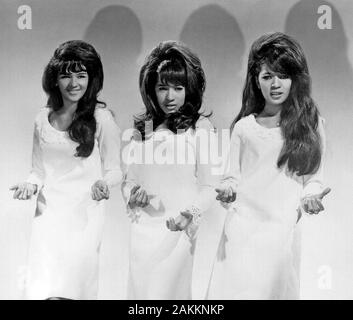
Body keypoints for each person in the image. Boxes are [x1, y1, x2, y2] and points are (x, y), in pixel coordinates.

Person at [209, 32, 330, 299]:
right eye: (267, 76)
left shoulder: (311, 124)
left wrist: (310, 197)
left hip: (281, 234)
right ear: (256, 80)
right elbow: (232, 177)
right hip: (240, 233)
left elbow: (313, 178)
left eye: (283, 76)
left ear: (295, 79)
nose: (276, 84)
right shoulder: (244, 128)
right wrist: (227, 190)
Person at [10, 40, 122, 300]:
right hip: (48, 217)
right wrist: (29, 185)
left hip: (84, 217)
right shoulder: (42, 118)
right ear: (55, 80)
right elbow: (37, 171)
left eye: (81, 76)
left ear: (91, 78)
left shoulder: (101, 118)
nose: (74, 84)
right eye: (66, 76)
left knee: (73, 291)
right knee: (46, 292)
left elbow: (116, 170)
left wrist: (104, 183)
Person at [121, 40, 218, 299]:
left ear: (190, 89)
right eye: (162, 88)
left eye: (178, 87)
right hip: (142, 232)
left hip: (178, 228)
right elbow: (129, 181)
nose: (170, 96)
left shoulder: (200, 127)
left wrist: (191, 213)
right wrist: (132, 195)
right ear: (151, 90)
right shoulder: (143, 130)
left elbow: (210, 187)